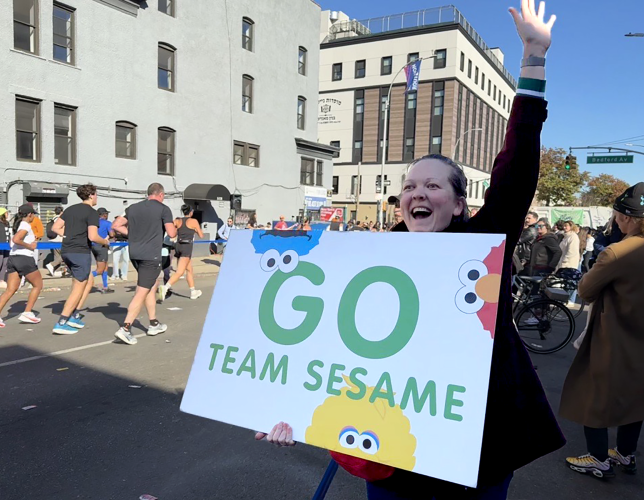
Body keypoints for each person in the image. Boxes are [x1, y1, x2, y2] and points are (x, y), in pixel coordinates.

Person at [257, 4, 564, 498]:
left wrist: (532, 58)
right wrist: (288, 409)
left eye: (433, 186)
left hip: (477, 445)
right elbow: (323, 345)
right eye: (409, 186)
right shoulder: (370, 257)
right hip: (394, 451)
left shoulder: (482, 244)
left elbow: (518, 164)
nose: (418, 193)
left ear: (460, 203)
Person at [561, 182, 644, 479]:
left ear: (629, 218)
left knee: (592, 393)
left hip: (613, 336)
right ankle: (625, 452)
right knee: (636, 396)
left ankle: (597, 458)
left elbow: (585, 290)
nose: (615, 221)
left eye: (618, 215)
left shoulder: (617, 253)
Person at [111, 183, 176, 345]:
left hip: (135, 254)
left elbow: (116, 225)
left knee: (151, 286)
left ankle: (153, 323)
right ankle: (125, 328)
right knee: (141, 291)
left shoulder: (132, 208)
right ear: (161, 194)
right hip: (151, 256)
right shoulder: (163, 209)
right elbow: (172, 233)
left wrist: (132, 235)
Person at [51, 184, 109, 335]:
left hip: (67, 250)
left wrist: (70, 234)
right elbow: (93, 237)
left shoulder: (70, 209)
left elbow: (55, 228)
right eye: (96, 194)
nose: (97, 197)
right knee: (79, 287)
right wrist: (105, 242)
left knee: (88, 280)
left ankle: (75, 314)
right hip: (80, 252)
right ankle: (62, 321)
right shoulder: (92, 212)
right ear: (91, 195)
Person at [0, 205, 43, 327]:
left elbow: (13, 241)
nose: (34, 216)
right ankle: (27, 312)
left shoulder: (16, 225)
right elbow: (17, 240)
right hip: (24, 258)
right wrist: (30, 246)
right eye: (33, 214)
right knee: (38, 285)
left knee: (10, 289)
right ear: (29, 215)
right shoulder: (26, 225)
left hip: (13, 258)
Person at [158, 204, 203, 301]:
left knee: (190, 270)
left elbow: (171, 231)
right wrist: (193, 230)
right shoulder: (194, 221)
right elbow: (201, 235)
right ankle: (165, 287)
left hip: (179, 246)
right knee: (180, 272)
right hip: (187, 247)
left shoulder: (178, 221)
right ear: (190, 212)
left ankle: (193, 291)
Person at [91, 208, 115, 294]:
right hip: (102, 246)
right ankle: (86, 278)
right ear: (104, 215)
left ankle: (105, 287)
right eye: (107, 214)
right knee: (100, 270)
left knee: (105, 267)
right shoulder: (107, 223)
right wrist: (111, 235)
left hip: (93, 246)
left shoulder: (93, 223)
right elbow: (112, 234)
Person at [45, 206, 65, 277]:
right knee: (65, 255)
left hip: (52, 240)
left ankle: (57, 272)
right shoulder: (60, 220)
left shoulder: (52, 219)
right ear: (61, 212)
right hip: (59, 240)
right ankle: (51, 264)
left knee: (57, 256)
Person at [110, 213, 129, 281]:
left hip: (126, 243)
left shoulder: (127, 227)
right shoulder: (114, 227)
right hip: (117, 243)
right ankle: (115, 275)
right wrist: (113, 230)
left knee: (126, 260)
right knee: (115, 260)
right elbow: (111, 234)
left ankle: (124, 275)